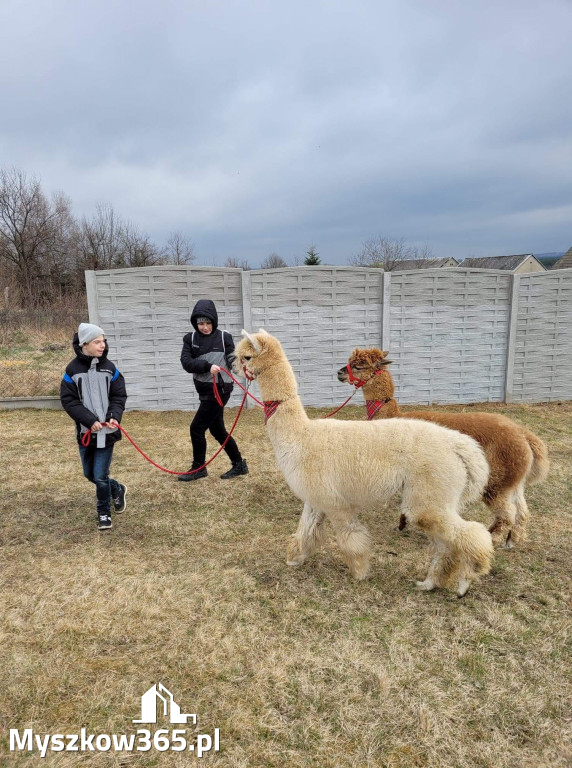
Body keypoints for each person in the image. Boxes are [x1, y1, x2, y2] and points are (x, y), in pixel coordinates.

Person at [60, 323, 128, 530]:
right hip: (86, 432)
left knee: (99, 476)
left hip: (107, 433)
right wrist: (89, 421)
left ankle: (104, 513)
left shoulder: (110, 369)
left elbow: (118, 395)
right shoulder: (72, 371)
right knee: (89, 474)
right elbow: (69, 401)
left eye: (103, 341)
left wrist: (114, 416)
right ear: (84, 344)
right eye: (97, 342)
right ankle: (116, 488)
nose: (102, 345)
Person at [179, 299, 248, 481]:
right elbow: (186, 363)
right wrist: (206, 365)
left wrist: (245, 368)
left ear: (214, 321)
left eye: (208, 323)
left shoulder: (224, 337)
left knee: (196, 428)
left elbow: (234, 361)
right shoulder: (190, 339)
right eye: (201, 323)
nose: (205, 327)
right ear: (195, 323)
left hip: (220, 390)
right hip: (204, 391)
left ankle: (199, 468)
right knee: (217, 430)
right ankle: (239, 464)